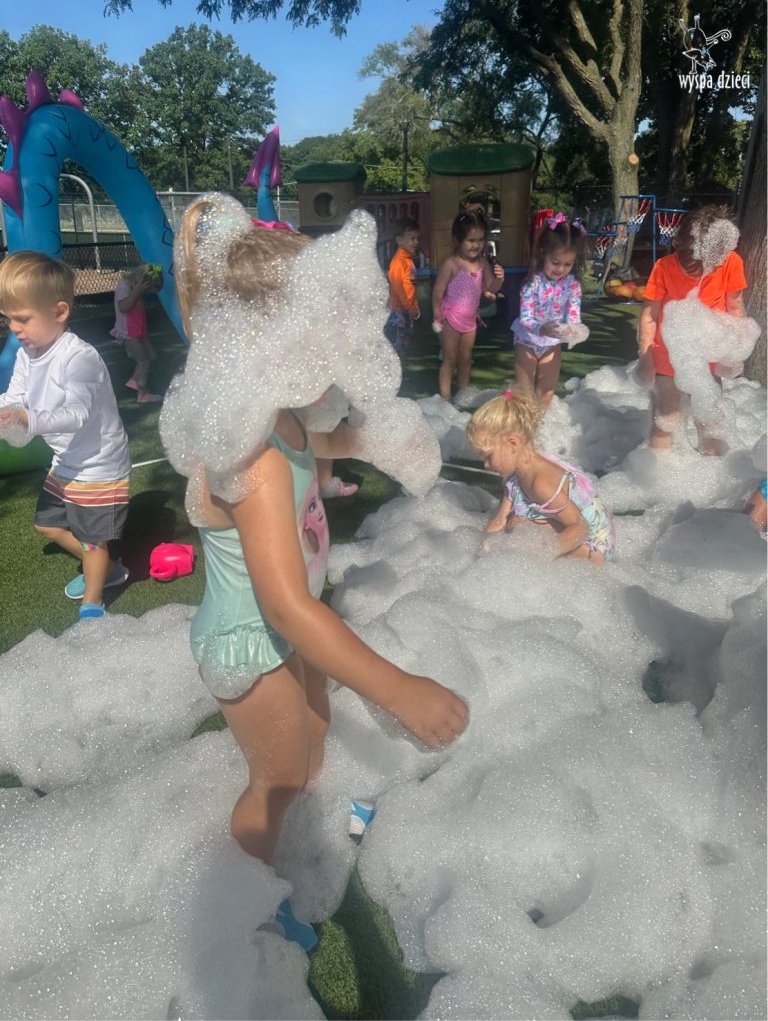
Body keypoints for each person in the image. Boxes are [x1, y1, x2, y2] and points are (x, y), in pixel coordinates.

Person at [170, 197, 469, 951]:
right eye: (327, 327)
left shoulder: (280, 416)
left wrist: (378, 443)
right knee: (275, 779)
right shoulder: (252, 454)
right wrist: (397, 689)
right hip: (253, 638)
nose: (342, 343)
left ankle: (313, 826)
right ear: (273, 338)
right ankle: (242, 906)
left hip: (286, 630)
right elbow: (285, 607)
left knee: (313, 735)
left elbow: (323, 443)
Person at [0, 252, 131, 619]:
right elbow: (14, 397)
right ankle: (106, 567)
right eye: (8, 318)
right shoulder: (28, 353)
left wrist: (26, 419)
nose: (14, 327)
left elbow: (76, 414)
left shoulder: (78, 358)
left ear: (59, 312)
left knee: (93, 540)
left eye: (23, 318)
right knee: (47, 524)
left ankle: (93, 602)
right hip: (68, 458)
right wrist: (7, 412)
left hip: (98, 464)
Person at [636, 205, 747, 455]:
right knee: (666, 418)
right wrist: (645, 356)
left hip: (708, 355)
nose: (699, 275)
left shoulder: (731, 263)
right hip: (667, 353)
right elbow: (650, 315)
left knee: (710, 423)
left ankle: (710, 469)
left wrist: (734, 353)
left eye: (707, 267)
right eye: (691, 267)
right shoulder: (664, 267)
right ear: (678, 245)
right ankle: (658, 469)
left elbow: (735, 307)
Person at [467, 387, 615, 563]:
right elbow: (500, 521)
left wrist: (543, 553)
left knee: (519, 525)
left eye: (488, 457)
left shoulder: (541, 483)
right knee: (514, 522)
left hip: (594, 547)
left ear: (513, 444)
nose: (486, 465)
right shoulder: (516, 477)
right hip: (576, 534)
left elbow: (581, 529)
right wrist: (477, 553)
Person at [511, 213, 588, 409]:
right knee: (524, 393)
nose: (561, 269)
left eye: (568, 264)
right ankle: (523, 424)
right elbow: (525, 318)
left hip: (552, 344)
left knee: (546, 393)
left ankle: (540, 425)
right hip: (527, 340)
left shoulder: (573, 285)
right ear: (542, 253)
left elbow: (573, 316)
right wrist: (542, 328)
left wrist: (573, 330)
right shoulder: (532, 283)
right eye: (555, 262)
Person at [432, 210, 505, 400]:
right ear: (458, 240)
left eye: (480, 240)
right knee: (450, 359)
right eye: (471, 240)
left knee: (465, 360)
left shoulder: (482, 263)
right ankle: (446, 398)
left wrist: (500, 278)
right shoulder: (451, 264)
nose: (476, 245)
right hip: (450, 318)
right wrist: (437, 313)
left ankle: (462, 396)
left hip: (470, 321)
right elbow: (438, 291)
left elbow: (491, 287)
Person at [110, 263, 163, 403]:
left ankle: (135, 381)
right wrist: (137, 292)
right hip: (127, 333)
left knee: (151, 356)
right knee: (144, 361)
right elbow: (123, 307)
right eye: (147, 289)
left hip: (138, 331)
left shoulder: (135, 288)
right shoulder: (125, 286)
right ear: (141, 281)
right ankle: (142, 394)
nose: (146, 293)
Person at [384, 216, 421, 360]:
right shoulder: (398, 261)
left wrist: (414, 305)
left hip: (406, 310)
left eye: (417, 238)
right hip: (398, 311)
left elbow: (412, 286)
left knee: (405, 342)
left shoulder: (408, 260)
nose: (416, 242)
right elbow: (397, 285)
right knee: (396, 346)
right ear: (399, 240)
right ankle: (394, 370)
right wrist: (408, 306)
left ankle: (402, 369)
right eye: (412, 238)